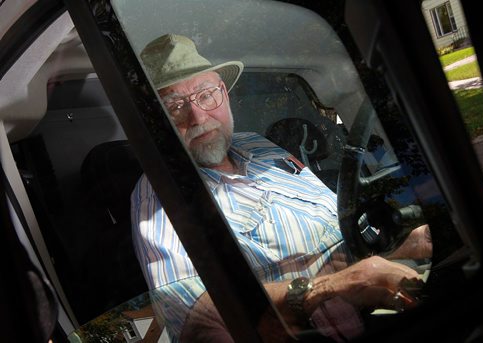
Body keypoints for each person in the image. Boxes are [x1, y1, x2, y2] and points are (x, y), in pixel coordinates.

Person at [131, 34, 432, 342]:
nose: (198, 117)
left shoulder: (257, 145)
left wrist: (405, 246)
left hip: (383, 296)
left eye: (206, 94)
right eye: (175, 106)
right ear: (157, 120)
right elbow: (195, 314)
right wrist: (332, 286)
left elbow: (340, 229)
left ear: (225, 93)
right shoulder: (160, 192)